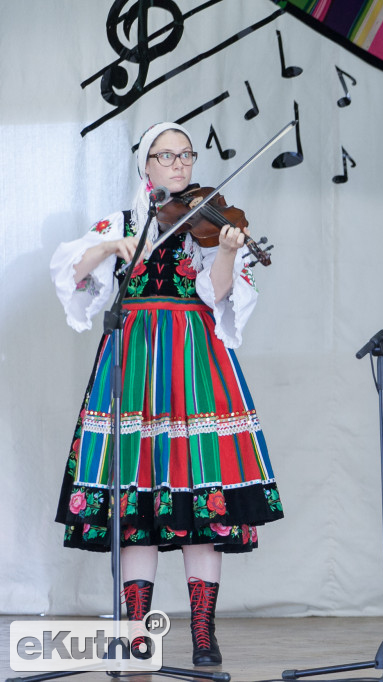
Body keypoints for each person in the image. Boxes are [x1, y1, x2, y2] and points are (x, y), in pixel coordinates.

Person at [51, 122, 284, 667]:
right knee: (136, 504)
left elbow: (218, 294)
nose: (179, 165)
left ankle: (203, 634)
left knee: (200, 496)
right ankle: (137, 636)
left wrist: (226, 251)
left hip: (193, 363)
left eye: (187, 155)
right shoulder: (123, 223)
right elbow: (72, 273)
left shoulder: (208, 221)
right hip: (131, 364)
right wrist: (111, 245)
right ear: (146, 166)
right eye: (167, 156)